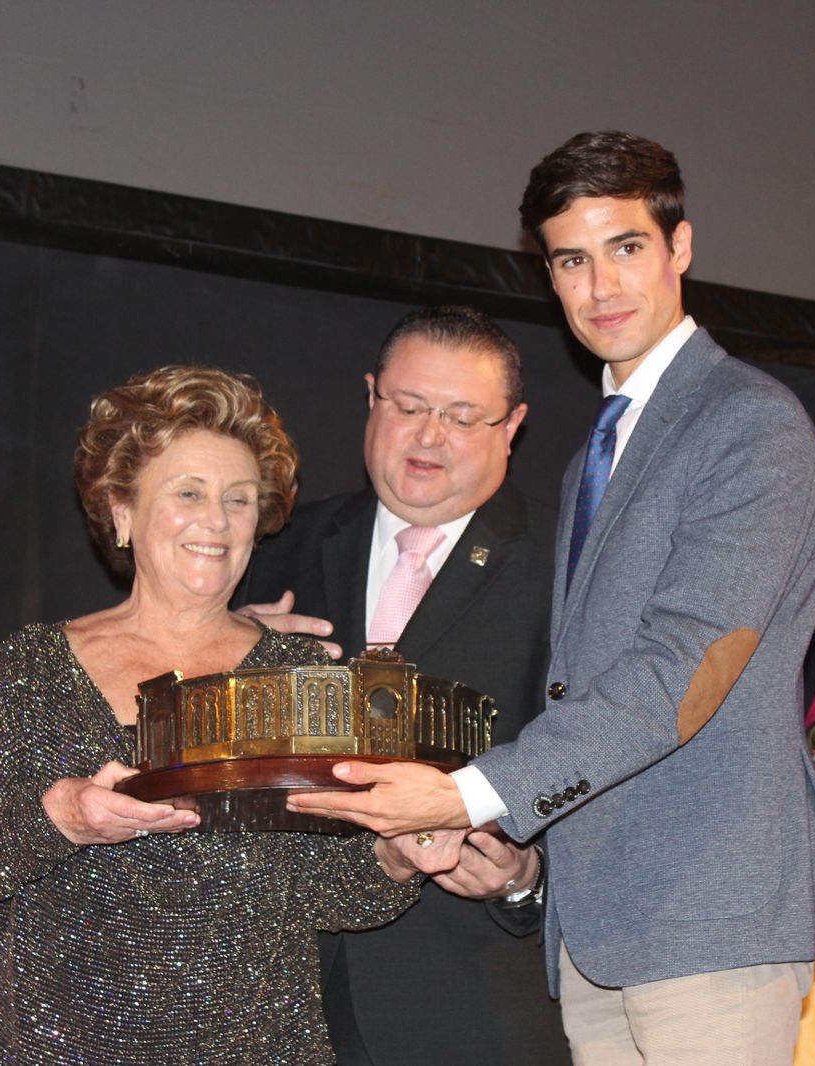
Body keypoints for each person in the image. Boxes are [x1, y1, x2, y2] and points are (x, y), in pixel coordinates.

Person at [289, 131, 815, 1063]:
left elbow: (689, 670)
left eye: (626, 248)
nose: (601, 287)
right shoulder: (607, 445)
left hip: (704, 915)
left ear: (680, 249)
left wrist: (467, 795)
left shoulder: (749, 426)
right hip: (600, 931)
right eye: (571, 260)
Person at [0, 365, 440, 1065]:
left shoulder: (302, 676)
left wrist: (397, 856)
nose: (217, 521)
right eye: (188, 493)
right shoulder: (37, 667)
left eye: (240, 499)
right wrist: (65, 816)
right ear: (122, 510)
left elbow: (330, 893)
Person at [241, 306, 570, 1065]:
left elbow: (607, 760)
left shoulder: (568, 568)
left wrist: (529, 876)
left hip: (474, 1006)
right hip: (283, 1007)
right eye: (411, 406)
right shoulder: (276, 552)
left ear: (512, 426)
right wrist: (227, 650)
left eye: (462, 416)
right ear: (370, 396)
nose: (429, 436)